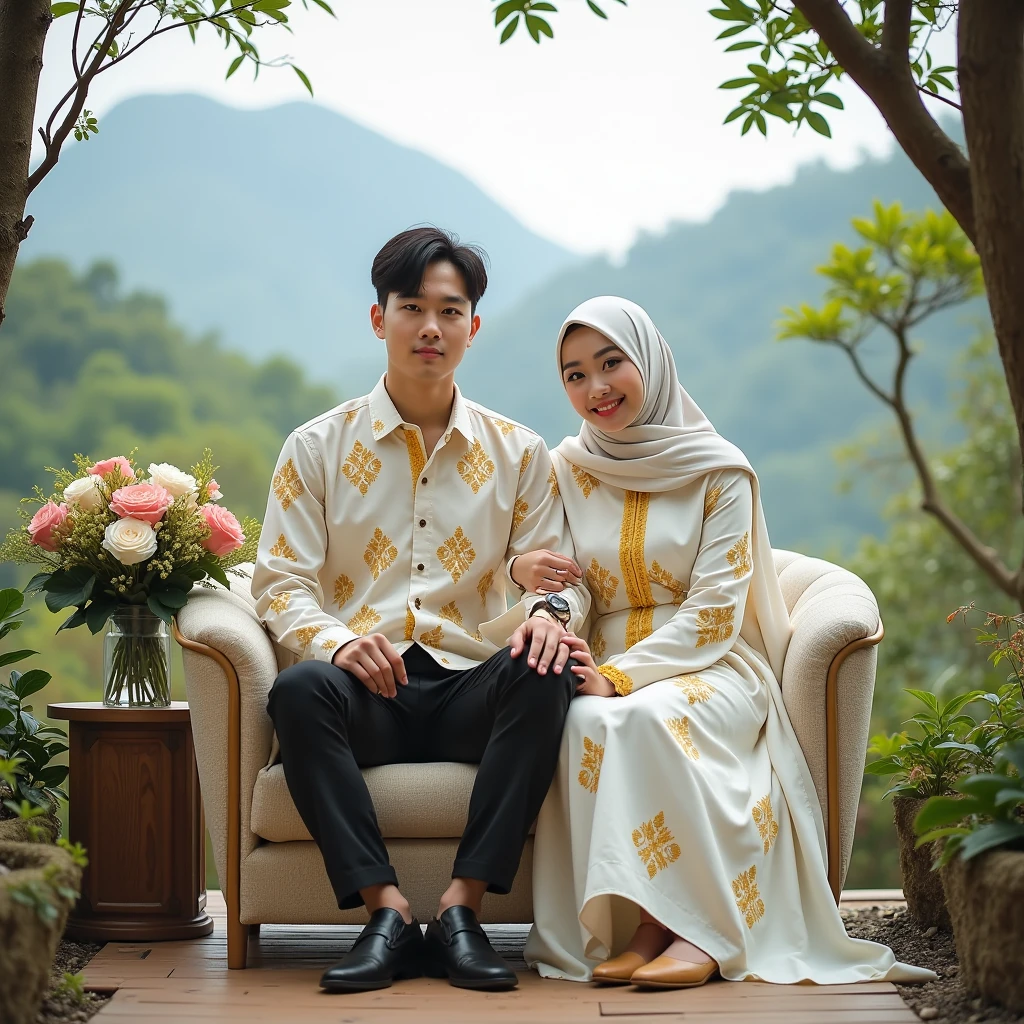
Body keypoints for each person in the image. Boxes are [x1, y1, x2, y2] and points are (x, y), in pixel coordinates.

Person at [517, 296, 935, 988]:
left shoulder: (719, 470)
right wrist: (553, 620)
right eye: (575, 375)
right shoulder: (568, 468)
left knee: (643, 716)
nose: (596, 388)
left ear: (650, 362)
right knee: (587, 721)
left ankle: (700, 931)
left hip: (711, 664)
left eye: (612, 363)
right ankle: (646, 924)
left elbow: (715, 611)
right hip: (606, 663)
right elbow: (570, 584)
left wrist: (620, 676)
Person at [251, 227, 590, 994]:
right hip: (367, 690)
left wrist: (547, 615)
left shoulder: (520, 452)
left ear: (473, 326)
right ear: (380, 319)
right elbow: (279, 583)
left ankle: (464, 910)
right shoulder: (315, 447)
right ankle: (388, 914)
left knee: (545, 671)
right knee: (298, 690)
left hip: (472, 685)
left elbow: (562, 578)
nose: (430, 327)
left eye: (450, 310)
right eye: (412, 307)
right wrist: (336, 644)